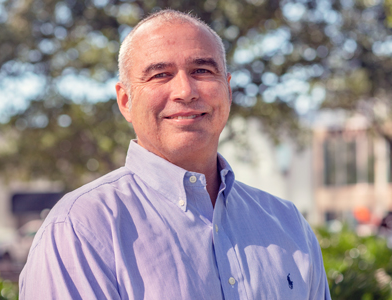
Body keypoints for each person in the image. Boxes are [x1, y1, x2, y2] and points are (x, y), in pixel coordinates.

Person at [19, 9, 331, 300]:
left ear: (228, 90)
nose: (185, 90)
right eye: (160, 75)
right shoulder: (82, 229)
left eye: (202, 70)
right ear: (125, 101)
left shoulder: (288, 225)